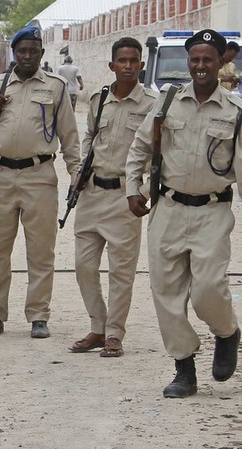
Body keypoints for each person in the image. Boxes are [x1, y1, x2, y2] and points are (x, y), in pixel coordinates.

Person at [126, 29, 241, 398]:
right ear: (188, 62)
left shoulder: (235, 111)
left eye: (208, 59)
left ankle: (227, 332)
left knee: (208, 288)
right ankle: (184, 369)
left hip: (212, 210)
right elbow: (140, 147)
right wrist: (132, 188)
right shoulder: (167, 102)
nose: (200, 65)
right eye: (195, 59)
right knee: (167, 293)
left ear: (220, 63)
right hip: (168, 208)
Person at [0, 26, 80, 339]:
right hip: (1, 176)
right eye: (22, 51)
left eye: (33, 50)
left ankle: (38, 316)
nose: (27, 56)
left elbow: (70, 135)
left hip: (39, 177)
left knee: (40, 251)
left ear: (41, 54)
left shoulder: (57, 87)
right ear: (14, 53)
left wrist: (75, 173)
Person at [69, 37, 156, 359]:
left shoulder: (151, 104)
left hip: (125, 197)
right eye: (122, 60)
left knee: (121, 272)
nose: (128, 66)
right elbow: (90, 135)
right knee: (83, 266)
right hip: (92, 194)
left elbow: (157, 156)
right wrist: (79, 171)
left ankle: (115, 334)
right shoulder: (99, 98)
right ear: (112, 65)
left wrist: (143, 193)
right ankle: (98, 325)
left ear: (142, 65)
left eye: (134, 60)